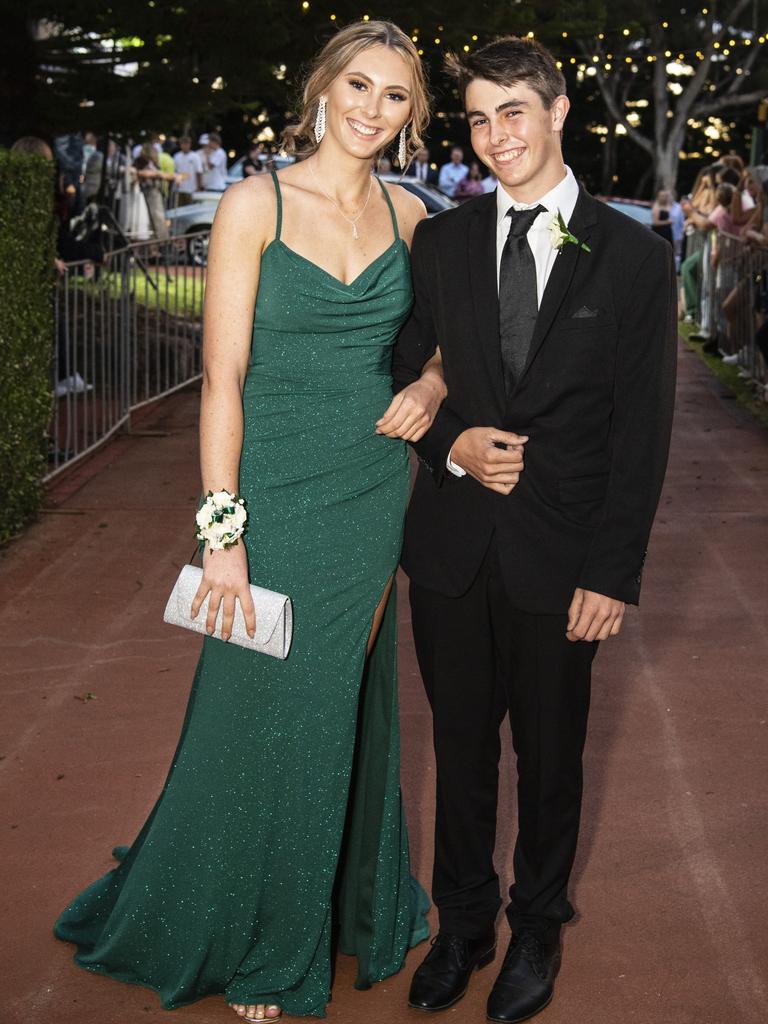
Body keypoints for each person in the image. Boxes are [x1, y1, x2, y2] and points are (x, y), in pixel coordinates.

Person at [54, 19, 447, 1023]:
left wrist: (438, 382)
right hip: (269, 487)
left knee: (338, 699)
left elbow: (452, 341)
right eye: (357, 85)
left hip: (368, 488)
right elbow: (221, 380)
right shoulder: (253, 203)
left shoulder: (412, 217)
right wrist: (221, 533)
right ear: (322, 87)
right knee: (254, 704)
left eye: (394, 95)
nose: (371, 108)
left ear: (414, 115)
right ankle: (245, 923)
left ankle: (327, 909)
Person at [392, 34, 677, 1024]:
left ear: (558, 112)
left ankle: (538, 926)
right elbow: (406, 368)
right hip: (452, 553)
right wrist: (451, 445)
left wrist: (614, 573)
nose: (495, 134)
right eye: (478, 115)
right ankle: (462, 924)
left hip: (564, 560)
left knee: (550, 760)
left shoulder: (636, 257)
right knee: (460, 747)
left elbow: (642, 435)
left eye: (514, 110)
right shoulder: (442, 242)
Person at [173, 135, 203, 204]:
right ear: (180, 145)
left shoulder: (195, 156)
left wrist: (199, 187)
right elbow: (174, 171)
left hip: (191, 189)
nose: (185, 146)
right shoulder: (176, 156)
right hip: (179, 188)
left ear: (190, 144)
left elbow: (199, 172)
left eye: (187, 144)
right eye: (183, 144)